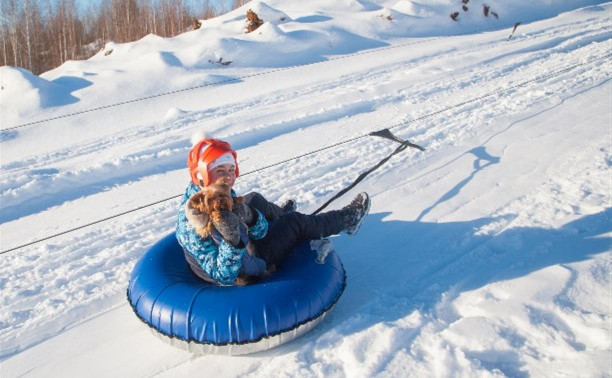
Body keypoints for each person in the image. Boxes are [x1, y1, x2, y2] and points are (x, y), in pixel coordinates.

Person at [175, 136, 370, 286]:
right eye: (219, 171)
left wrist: (250, 218)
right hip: (243, 266)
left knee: (255, 199)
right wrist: (232, 240)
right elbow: (223, 275)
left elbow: (259, 231)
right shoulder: (193, 223)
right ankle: (347, 220)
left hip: (244, 243)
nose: (227, 177)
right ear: (201, 176)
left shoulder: (214, 191)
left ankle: (281, 216)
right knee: (295, 222)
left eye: (230, 169)